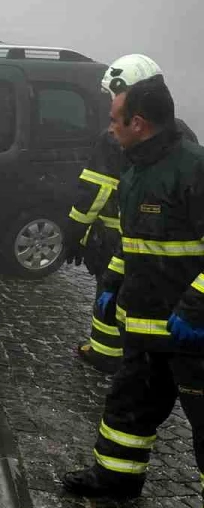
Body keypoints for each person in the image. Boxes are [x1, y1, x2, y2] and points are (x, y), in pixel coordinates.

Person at [62, 76, 204, 508]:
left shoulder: (194, 169)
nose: (110, 129)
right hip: (145, 328)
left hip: (193, 336)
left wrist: (196, 305)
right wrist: (112, 283)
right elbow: (133, 241)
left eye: (114, 120)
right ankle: (116, 478)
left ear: (138, 123)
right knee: (129, 406)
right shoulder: (136, 170)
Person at [63, 55, 197, 372]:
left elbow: (95, 192)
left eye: (113, 96)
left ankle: (107, 353)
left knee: (111, 293)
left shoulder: (113, 138)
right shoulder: (182, 134)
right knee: (144, 301)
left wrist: (73, 232)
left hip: (119, 237)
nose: (111, 117)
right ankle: (138, 357)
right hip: (160, 250)